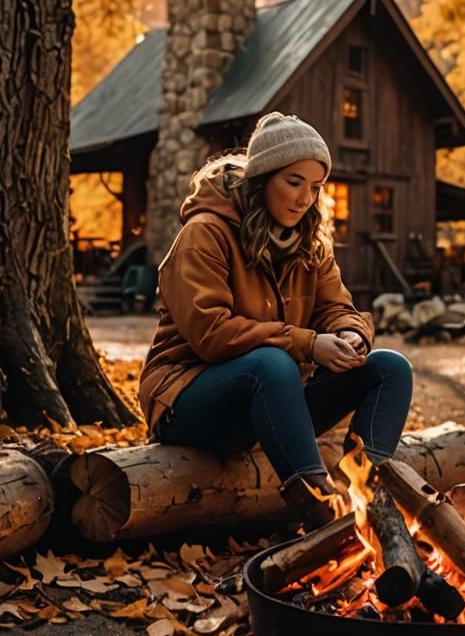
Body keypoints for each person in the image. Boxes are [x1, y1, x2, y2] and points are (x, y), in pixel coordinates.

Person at [138, 112, 413, 529]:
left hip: (272, 404)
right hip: (188, 403)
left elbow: (337, 307)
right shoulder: (204, 234)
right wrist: (307, 343)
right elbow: (211, 335)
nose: (305, 199)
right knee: (273, 362)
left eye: (316, 187)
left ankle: (369, 500)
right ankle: (323, 516)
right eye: (294, 181)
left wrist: (350, 334)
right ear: (263, 177)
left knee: (389, 367)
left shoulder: (309, 244)